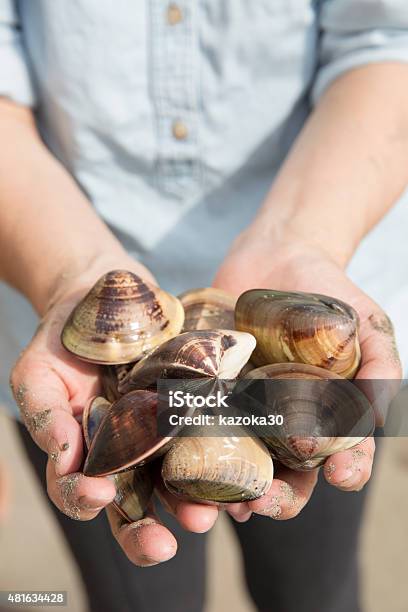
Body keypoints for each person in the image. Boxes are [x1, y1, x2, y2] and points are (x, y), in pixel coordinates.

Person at [0, 1, 406, 611]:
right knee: (138, 597)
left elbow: (386, 39)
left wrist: (303, 237)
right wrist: (65, 273)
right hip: (53, 289)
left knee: (313, 591)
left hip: (326, 253)